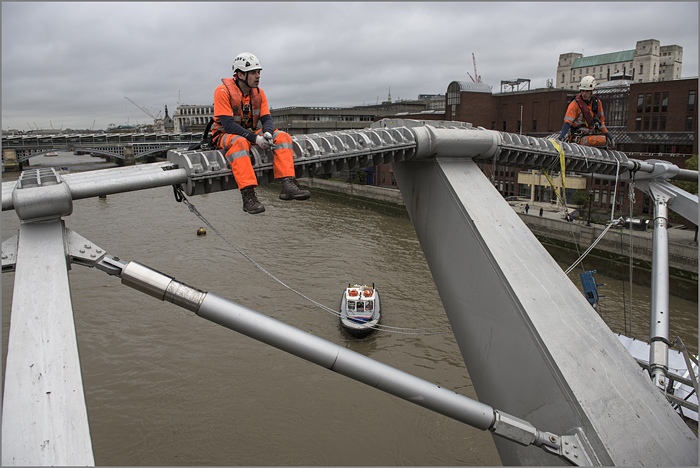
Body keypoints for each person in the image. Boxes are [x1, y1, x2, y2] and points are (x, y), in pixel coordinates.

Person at [211, 52, 310, 214]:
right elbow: (228, 125)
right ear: (240, 74)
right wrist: (256, 138)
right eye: (254, 73)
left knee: (282, 136)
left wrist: (268, 134)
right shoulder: (222, 92)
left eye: (259, 72)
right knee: (239, 142)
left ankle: (288, 184)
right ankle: (248, 195)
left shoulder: (258, 93)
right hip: (224, 134)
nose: (258, 76)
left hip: (250, 132)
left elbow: (266, 119)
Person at [558, 76, 615, 150]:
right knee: (601, 140)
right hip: (579, 138)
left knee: (605, 140)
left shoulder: (597, 104)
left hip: (591, 135)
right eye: (583, 91)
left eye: (587, 91)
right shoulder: (575, 104)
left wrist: (609, 137)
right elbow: (567, 123)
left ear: (592, 90)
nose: (584, 93)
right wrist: (561, 138)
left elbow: (601, 124)